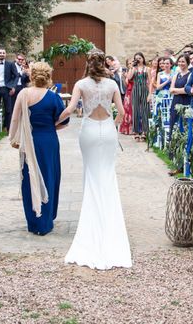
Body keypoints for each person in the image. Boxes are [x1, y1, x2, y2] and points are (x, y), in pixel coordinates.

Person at [59, 49, 132, 270]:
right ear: (104, 63)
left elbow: (71, 109)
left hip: (89, 131)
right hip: (107, 130)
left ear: (88, 63)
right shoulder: (111, 85)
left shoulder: (81, 84)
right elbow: (121, 112)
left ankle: (92, 224)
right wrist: (114, 127)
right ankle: (110, 224)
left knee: (91, 174)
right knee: (107, 175)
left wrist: (54, 122)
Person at [9, 62, 68, 236]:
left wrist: (13, 138)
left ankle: (34, 222)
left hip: (29, 140)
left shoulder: (23, 94)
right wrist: (49, 126)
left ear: (31, 76)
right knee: (49, 176)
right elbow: (63, 123)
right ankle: (46, 221)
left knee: (29, 178)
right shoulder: (53, 97)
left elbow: (15, 119)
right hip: (48, 141)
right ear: (48, 76)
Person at [0, 48, 19, 131]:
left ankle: (9, 129)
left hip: (7, 89)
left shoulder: (10, 64)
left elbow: (16, 75)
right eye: (0, 53)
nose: (2, 54)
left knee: (8, 110)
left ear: (5, 54)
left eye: (3, 53)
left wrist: (13, 86)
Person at [127, 52, 150, 141]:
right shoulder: (134, 68)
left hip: (144, 89)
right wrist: (132, 67)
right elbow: (129, 78)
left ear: (143, 59)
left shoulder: (147, 68)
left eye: (140, 58)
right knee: (135, 110)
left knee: (145, 110)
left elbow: (150, 82)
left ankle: (145, 131)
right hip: (135, 89)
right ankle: (136, 132)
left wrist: (150, 94)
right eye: (136, 58)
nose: (138, 60)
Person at [168, 54, 191, 140]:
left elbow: (186, 90)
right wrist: (180, 90)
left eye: (183, 61)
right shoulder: (176, 75)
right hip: (176, 101)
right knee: (173, 122)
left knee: (184, 123)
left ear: (187, 63)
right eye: (179, 61)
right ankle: (172, 145)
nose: (181, 63)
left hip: (185, 101)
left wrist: (176, 90)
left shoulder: (190, 75)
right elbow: (170, 90)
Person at [119, 58, 134, 135]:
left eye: (132, 62)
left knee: (133, 109)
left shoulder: (135, 70)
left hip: (135, 91)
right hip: (128, 91)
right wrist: (124, 77)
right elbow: (126, 84)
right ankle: (126, 128)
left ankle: (133, 128)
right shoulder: (128, 71)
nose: (130, 64)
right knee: (127, 109)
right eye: (129, 63)